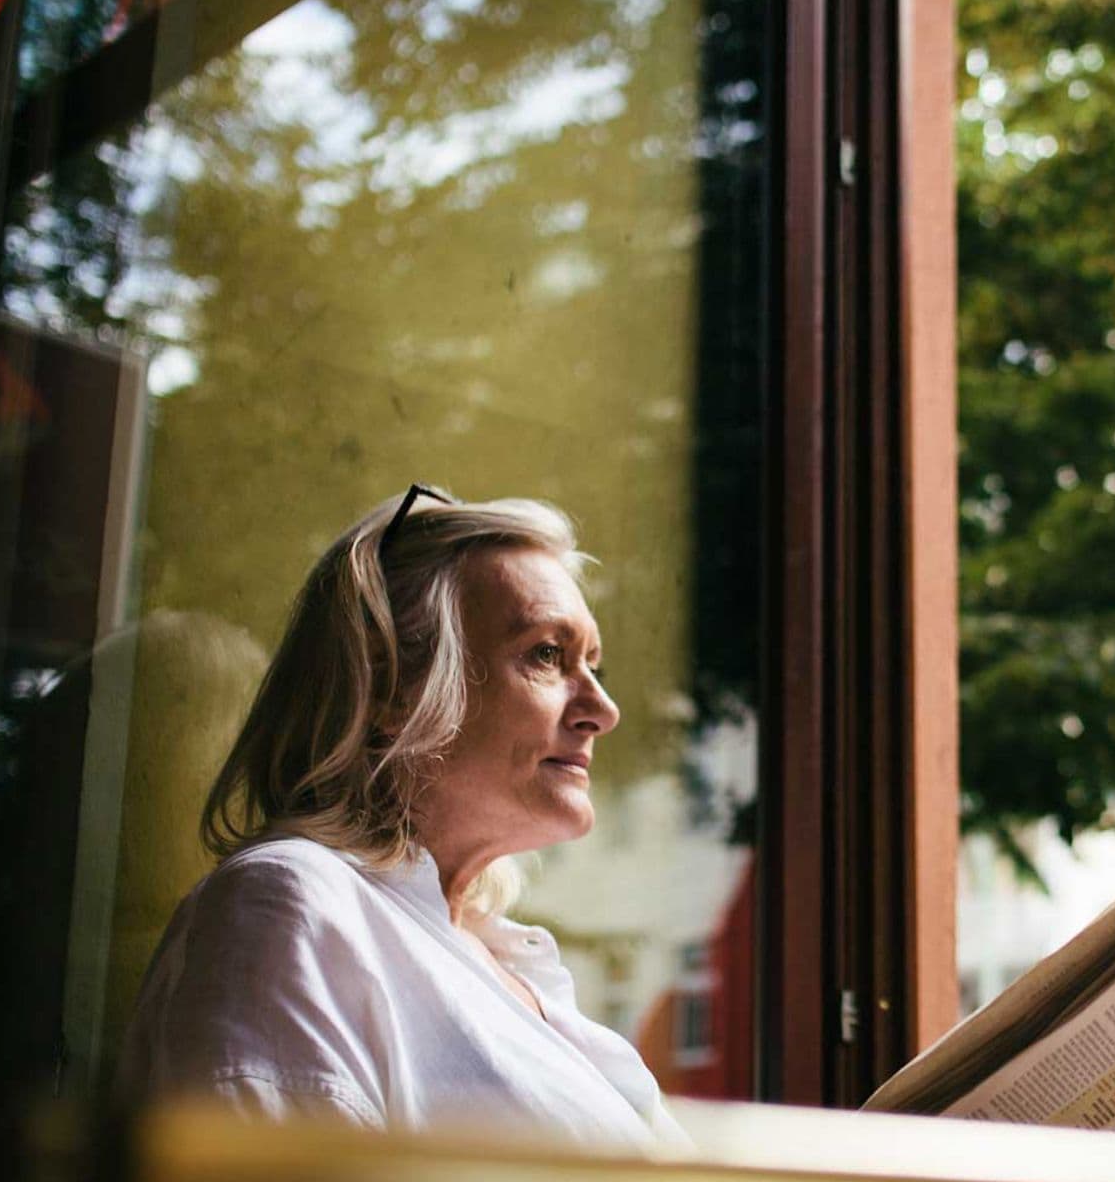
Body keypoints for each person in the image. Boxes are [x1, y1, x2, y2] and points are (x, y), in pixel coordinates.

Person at [118, 486, 688, 1148]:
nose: (602, 708)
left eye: (592, 663)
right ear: (391, 687)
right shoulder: (292, 905)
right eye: (544, 654)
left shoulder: (508, 957)